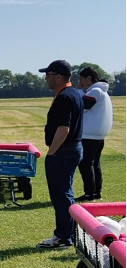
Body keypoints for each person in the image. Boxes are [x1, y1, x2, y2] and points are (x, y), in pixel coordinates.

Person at [36, 60, 84, 249]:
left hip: (63, 151)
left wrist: (52, 153)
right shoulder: (73, 93)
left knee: (61, 195)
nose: (46, 79)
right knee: (65, 194)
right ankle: (69, 233)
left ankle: (63, 237)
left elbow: (63, 128)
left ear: (57, 77)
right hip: (72, 149)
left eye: (47, 75)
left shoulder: (65, 96)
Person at [74, 67, 113, 202]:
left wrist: (78, 91)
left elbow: (82, 105)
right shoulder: (103, 91)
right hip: (98, 136)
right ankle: (96, 192)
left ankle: (89, 193)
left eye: (82, 79)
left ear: (89, 78)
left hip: (89, 136)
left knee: (85, 164)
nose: (80, 82)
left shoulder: (95, 91)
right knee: (94, 164)